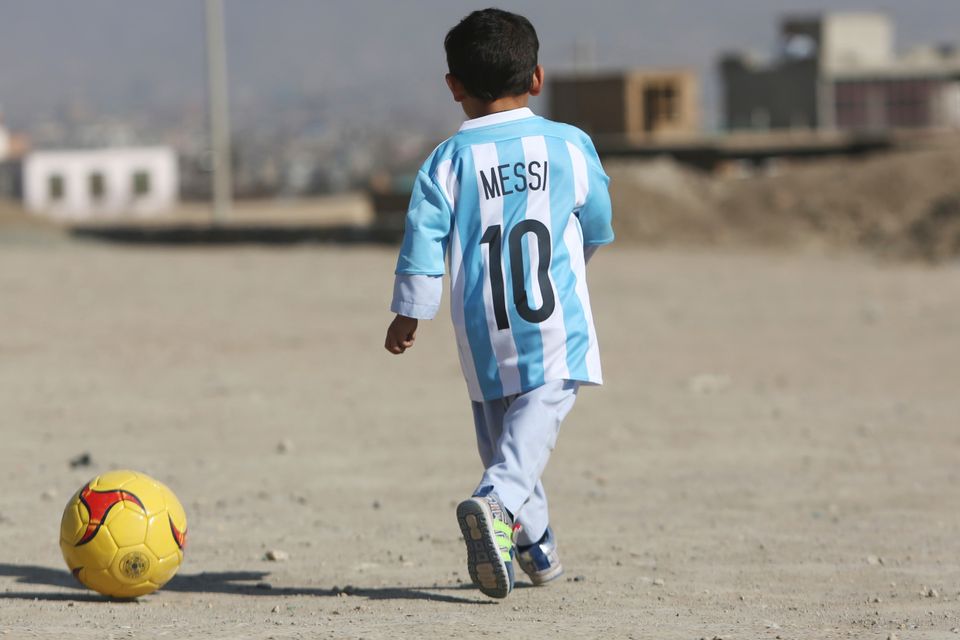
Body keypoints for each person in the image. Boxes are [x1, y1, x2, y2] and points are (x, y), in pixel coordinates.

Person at [383, 7, 613, 599]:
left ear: (454, 87)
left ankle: (537, 549)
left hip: (484, 330)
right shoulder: (568, 145)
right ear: (537, 78)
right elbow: (598, 223)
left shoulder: (446, 161)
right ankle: (495, 506)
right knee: (525, 443)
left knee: (504, 443)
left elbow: (422, 240)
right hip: (554, 323)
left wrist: (411, 310)